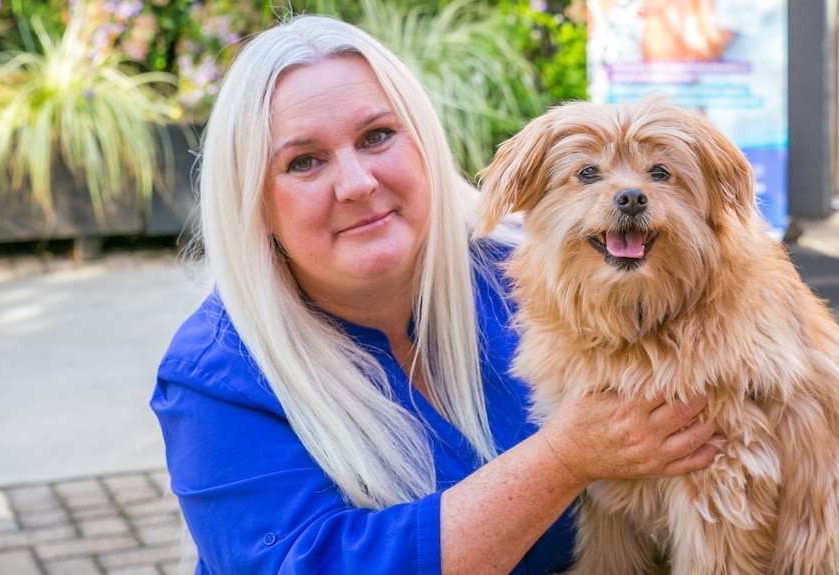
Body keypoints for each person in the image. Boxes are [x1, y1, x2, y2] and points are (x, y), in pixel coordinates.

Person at [150, 14, 723, 575]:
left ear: (425, 145)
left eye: (377, 137)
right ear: (254, 203)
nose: (356, 183)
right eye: (304, 161)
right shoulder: (216, 377)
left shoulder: (536, 275)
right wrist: (563, 459)